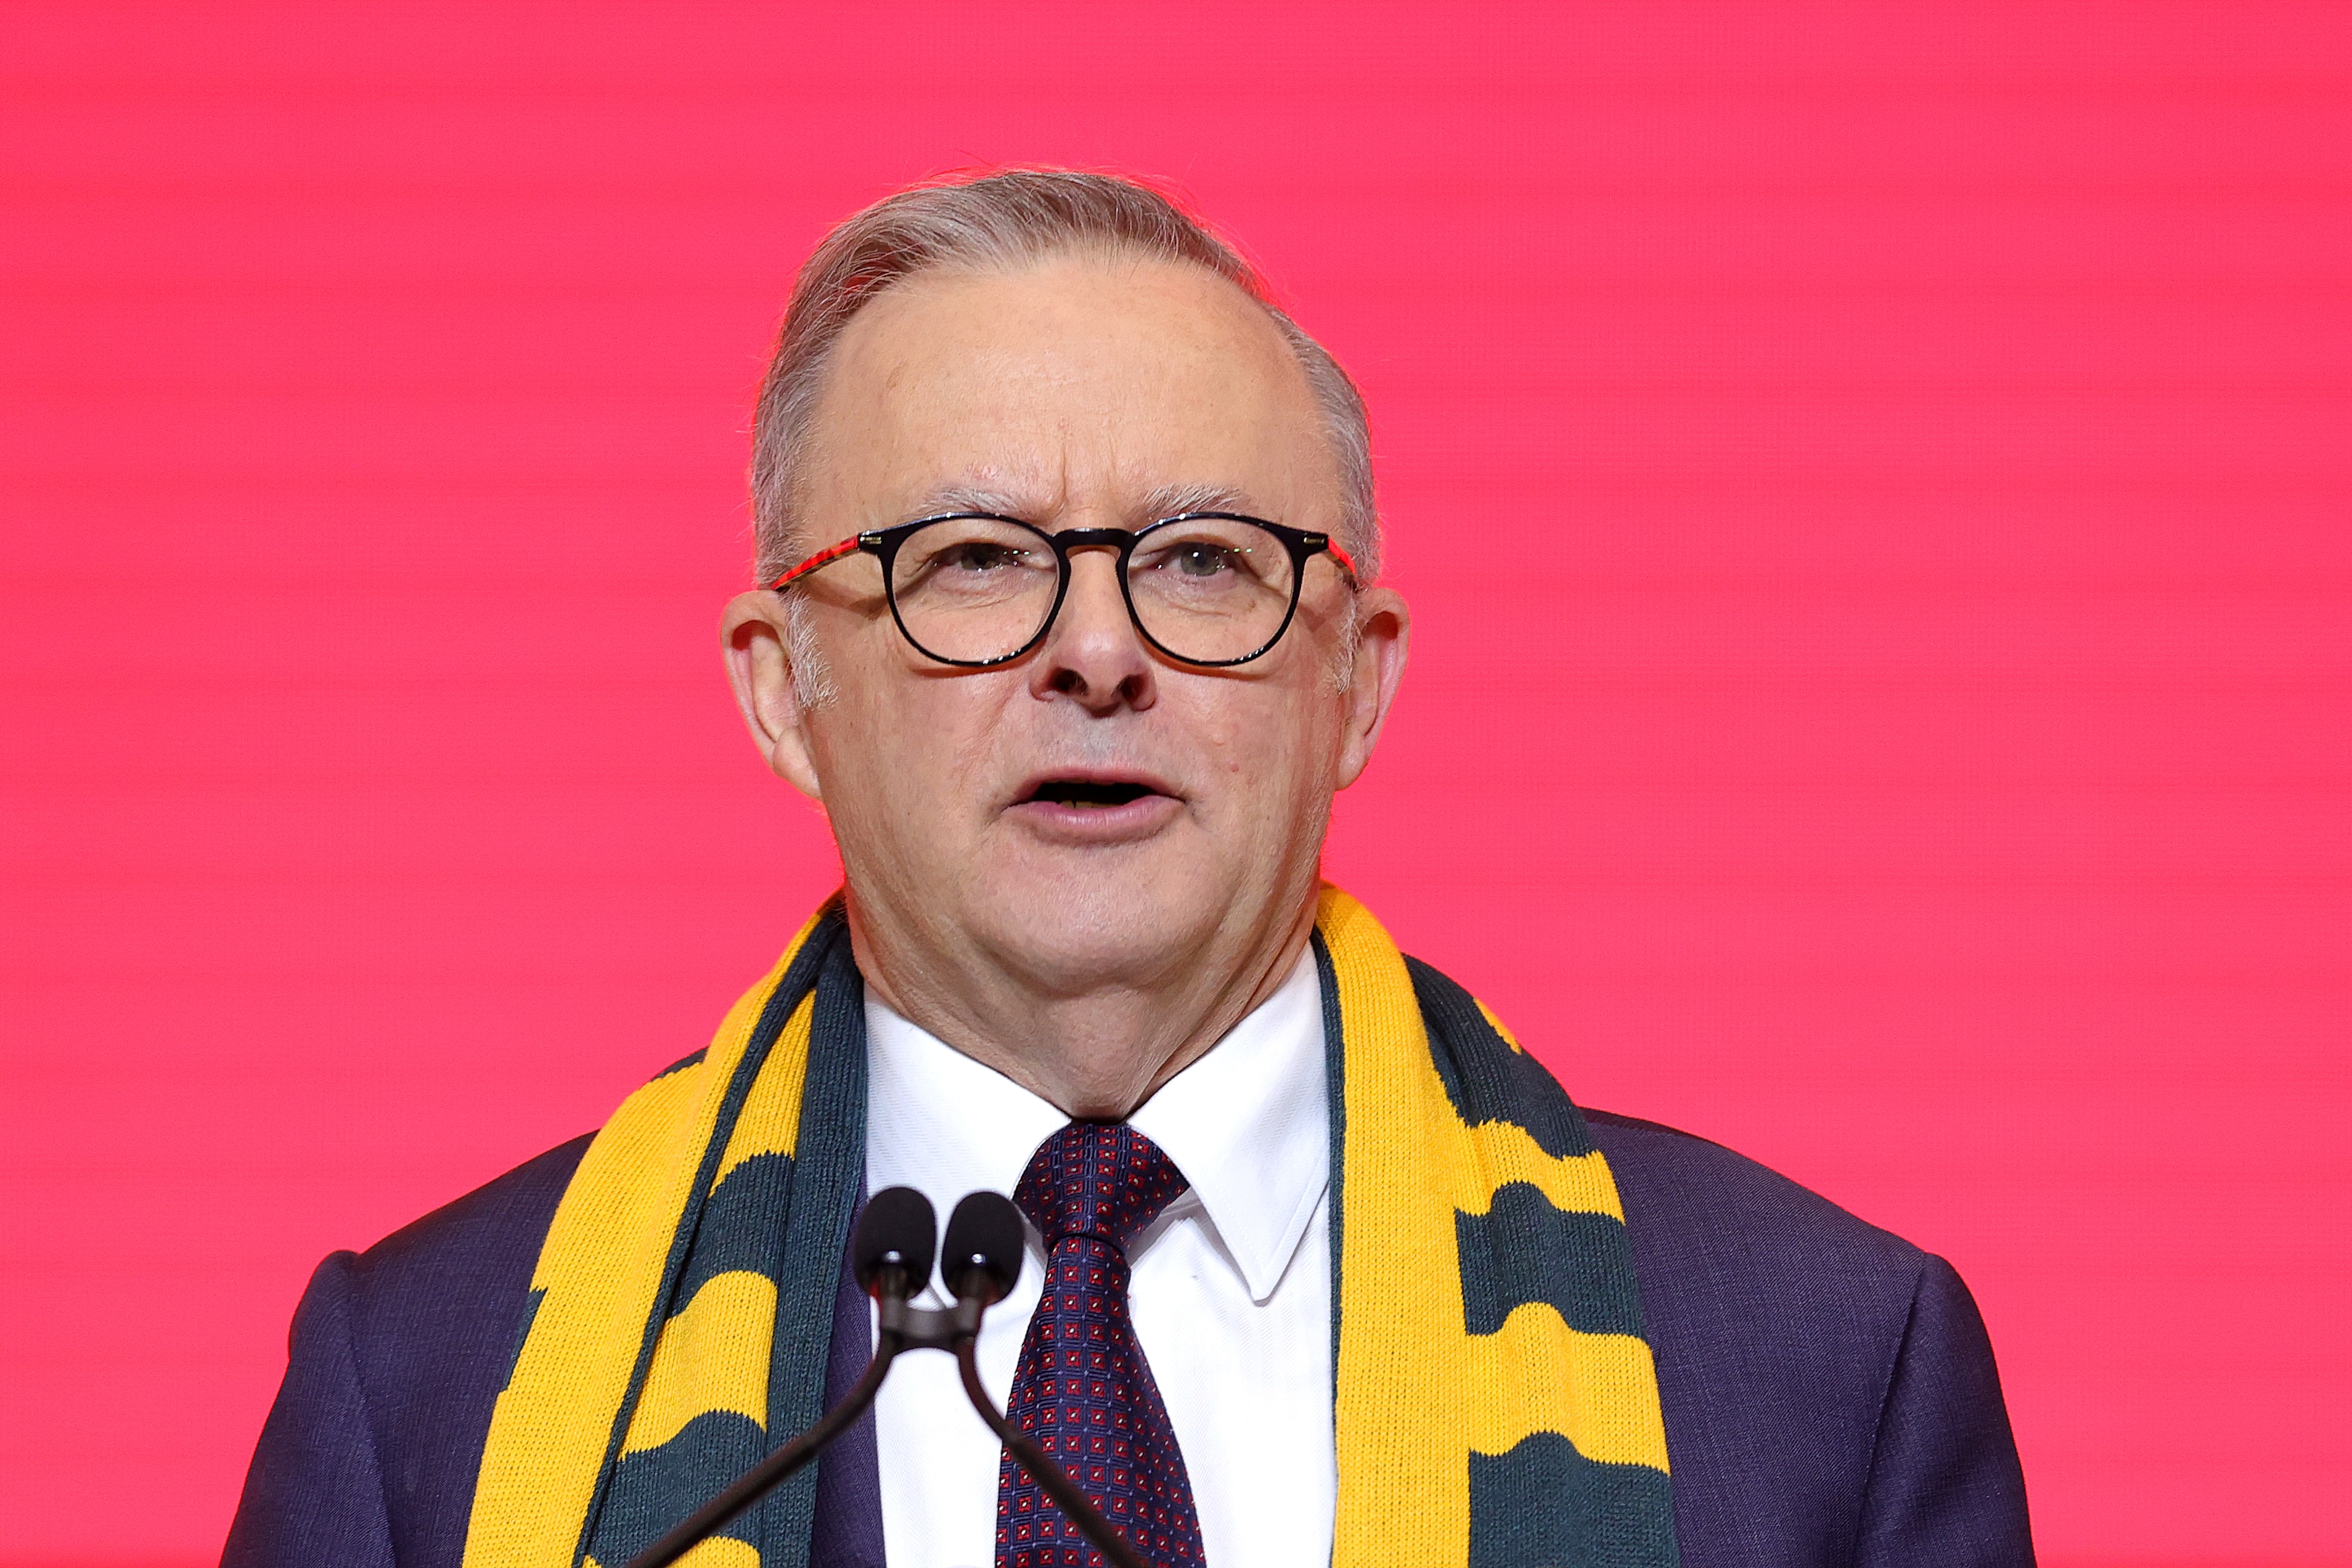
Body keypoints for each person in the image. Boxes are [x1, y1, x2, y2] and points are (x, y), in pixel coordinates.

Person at [222, 169, 2033, 1568]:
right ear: (787, 695)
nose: (1097, 652)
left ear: (1358, 681)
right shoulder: (428, 1394)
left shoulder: (1821, 1372)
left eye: (1206, 563)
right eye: (976, 559)